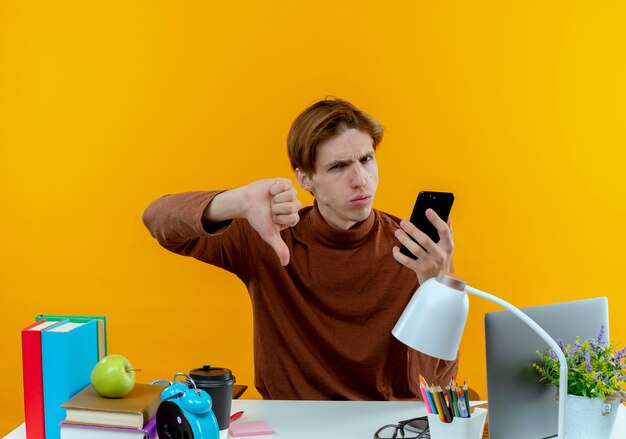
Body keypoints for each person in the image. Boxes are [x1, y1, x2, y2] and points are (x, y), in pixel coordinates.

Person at [142, 97, 457, 400]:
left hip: (385, 424)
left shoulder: (416, 250)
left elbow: (439, 387)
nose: (361, 179)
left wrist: (436, 287)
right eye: (338, 167)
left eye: (366, 159)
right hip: (290, 421)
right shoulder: (270, 235)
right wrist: (237, 201)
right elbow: (157, 220)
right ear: (305, 179)